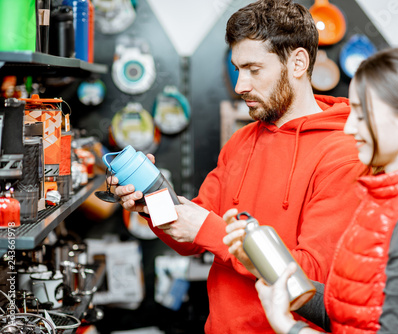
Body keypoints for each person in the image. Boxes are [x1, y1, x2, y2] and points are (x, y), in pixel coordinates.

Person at [110, 0, 366, 333]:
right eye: (237, 69)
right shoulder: (241, 141)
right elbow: (190, 239)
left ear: (298, 62)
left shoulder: (343, 153)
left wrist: (207, 228)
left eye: (253, 69)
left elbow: (310, 278)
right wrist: (151, 199)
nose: (239, 86)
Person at [224, 45, 398, 333]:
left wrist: (287, 327)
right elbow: (351, 313)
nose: (348, 128)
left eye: (360, 113)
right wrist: (269, 270)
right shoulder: (385, 200)